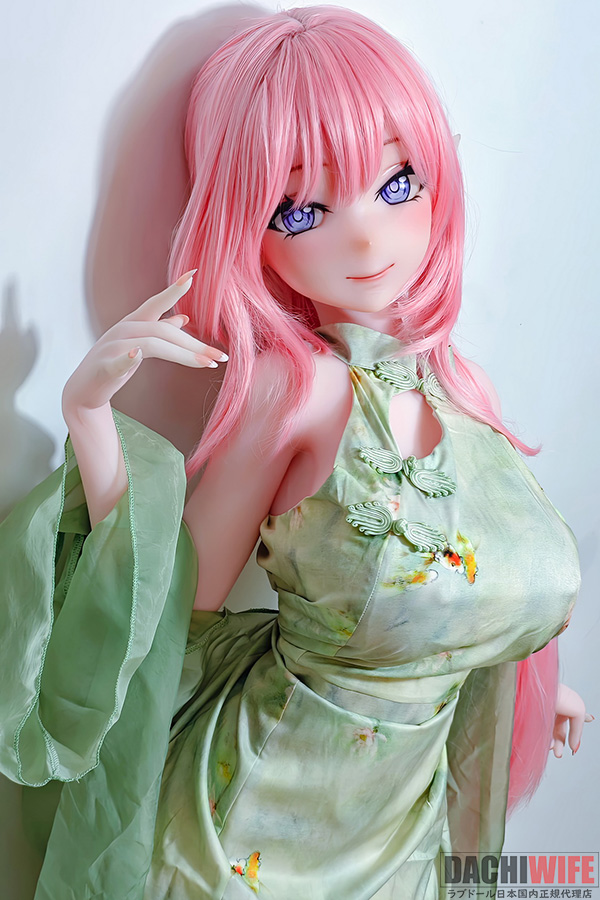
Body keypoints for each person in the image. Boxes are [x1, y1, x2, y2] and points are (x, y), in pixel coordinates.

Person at [0, 6, 590, 899]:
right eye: (303, 208)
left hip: (402, 834)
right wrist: (88, 417)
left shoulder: (465, 393)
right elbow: (178, 603)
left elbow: (485, 575)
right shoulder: (299, 391)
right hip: (251, 833)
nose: (366, 236)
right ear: (252, 232)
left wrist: (536, 676)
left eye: (398, 181)